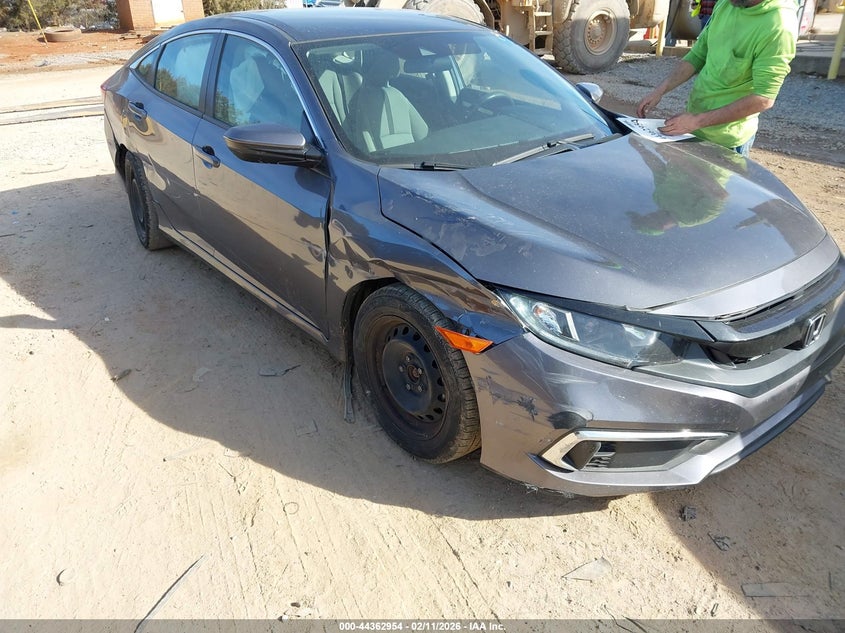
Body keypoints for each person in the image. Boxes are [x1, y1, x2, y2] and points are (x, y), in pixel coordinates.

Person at [637, 0, 797, 156]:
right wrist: (660, 90)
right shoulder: (726, 4)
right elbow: (698, 54)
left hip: (726, 142)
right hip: (691, 128)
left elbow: (763, 98)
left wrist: (696, 121)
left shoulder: (779, 27)